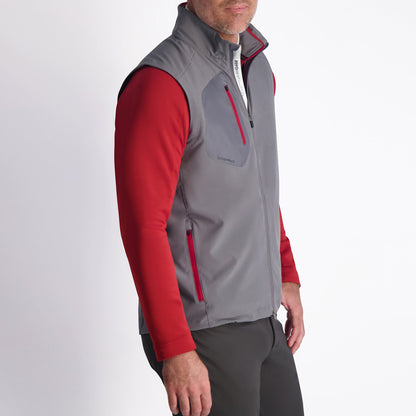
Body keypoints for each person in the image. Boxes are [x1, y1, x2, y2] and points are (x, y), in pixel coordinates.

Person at [114, 1, 305, 415]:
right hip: (203, 329)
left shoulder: (258, 70)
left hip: (262, 317)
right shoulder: (162, 82)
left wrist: (285, 272)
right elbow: (143, 227)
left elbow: (259, 185)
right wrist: (174, 346)